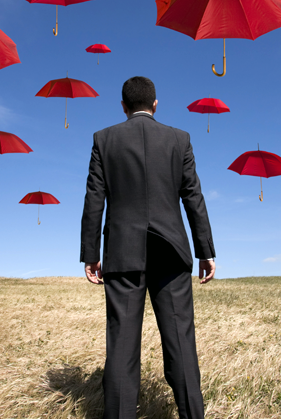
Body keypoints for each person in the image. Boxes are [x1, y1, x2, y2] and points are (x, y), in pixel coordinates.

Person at [80, 76, 216, 419]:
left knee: (122, 349)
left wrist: (91, 255)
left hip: (122, 254)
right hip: (171, 251)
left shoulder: (104, 140)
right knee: (182, 345)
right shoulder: (179, 139)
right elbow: (193, 197)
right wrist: (205, 250)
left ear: (123, 107)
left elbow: (94, 199)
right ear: (156, 104)